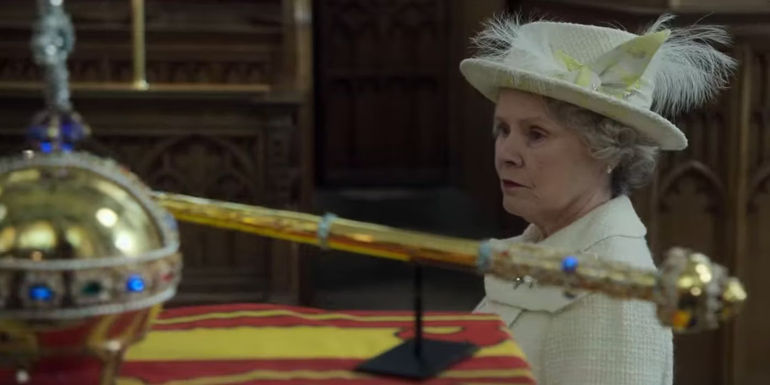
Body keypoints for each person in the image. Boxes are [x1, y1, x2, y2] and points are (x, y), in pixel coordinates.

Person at [460, 14, 736, 385]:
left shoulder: (615, 292)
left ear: (608, 150)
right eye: (503, 129)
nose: (506, 152)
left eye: (536, 134)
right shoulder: (543, 246)